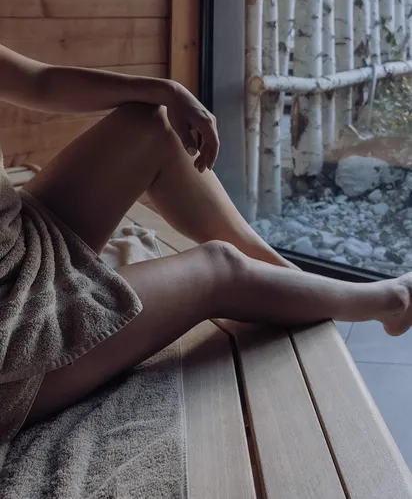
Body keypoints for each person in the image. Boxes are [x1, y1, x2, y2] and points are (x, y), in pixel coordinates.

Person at [0, 42, 411, 441]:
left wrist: (167, 90)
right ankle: (391, 302)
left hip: (16, 240)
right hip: (11, 334)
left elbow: (39, 81)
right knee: (219, 266)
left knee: (151, 124)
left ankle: (285, 277)